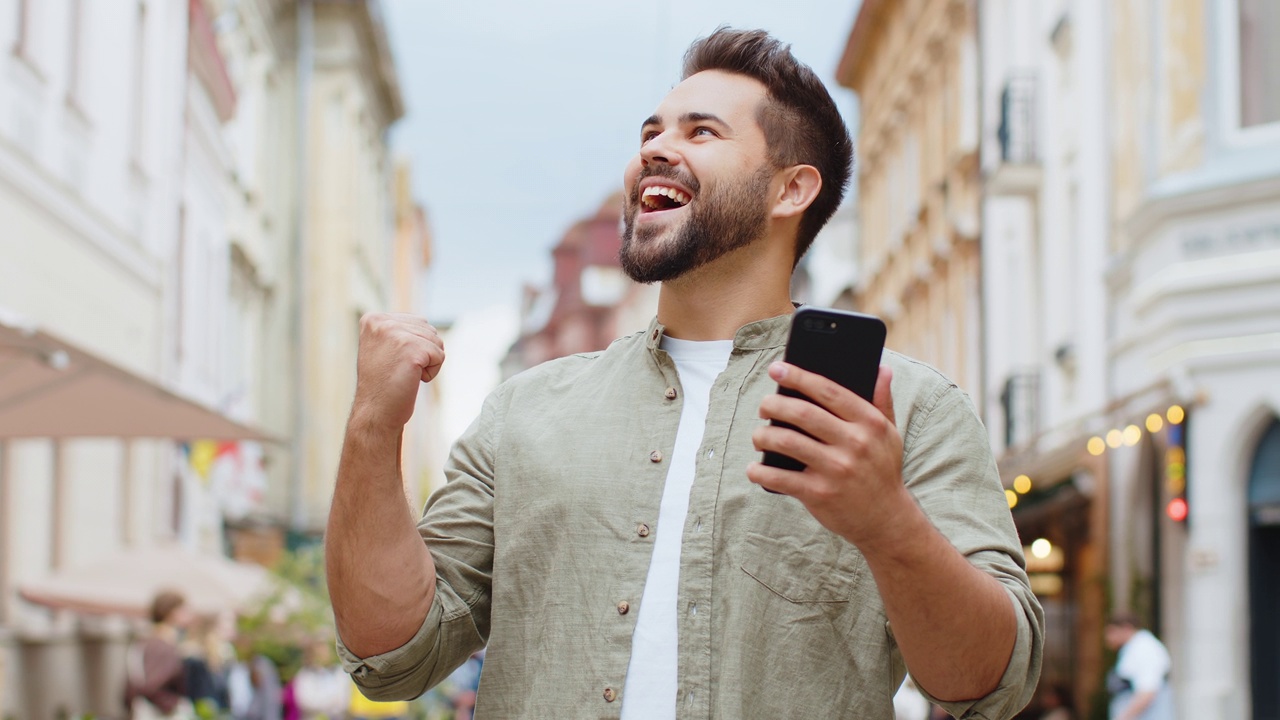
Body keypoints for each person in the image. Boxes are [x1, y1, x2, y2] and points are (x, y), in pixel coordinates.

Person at [326, 27, 1043, 719]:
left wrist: (886, 522)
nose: (656, 150)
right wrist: (371, 427)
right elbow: (394, 655)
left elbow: (987, 685)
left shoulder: (909, 410)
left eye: (700, 132)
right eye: (650, 133)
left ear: (790, 190)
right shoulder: (525, 411)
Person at [124, 590, 196, 720]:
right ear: (172, 613)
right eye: (185, 610)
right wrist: (177, 705)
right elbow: (151, 686)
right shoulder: (162, 644)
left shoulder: (146, 641)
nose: (190, 615)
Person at [1104, 613, 1174, 720]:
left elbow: (1147, 691)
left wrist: (1124, 717)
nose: (1108, 638)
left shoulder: (1144, 648)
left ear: (1126, 628)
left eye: (1112, 632)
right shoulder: (1133, 648)